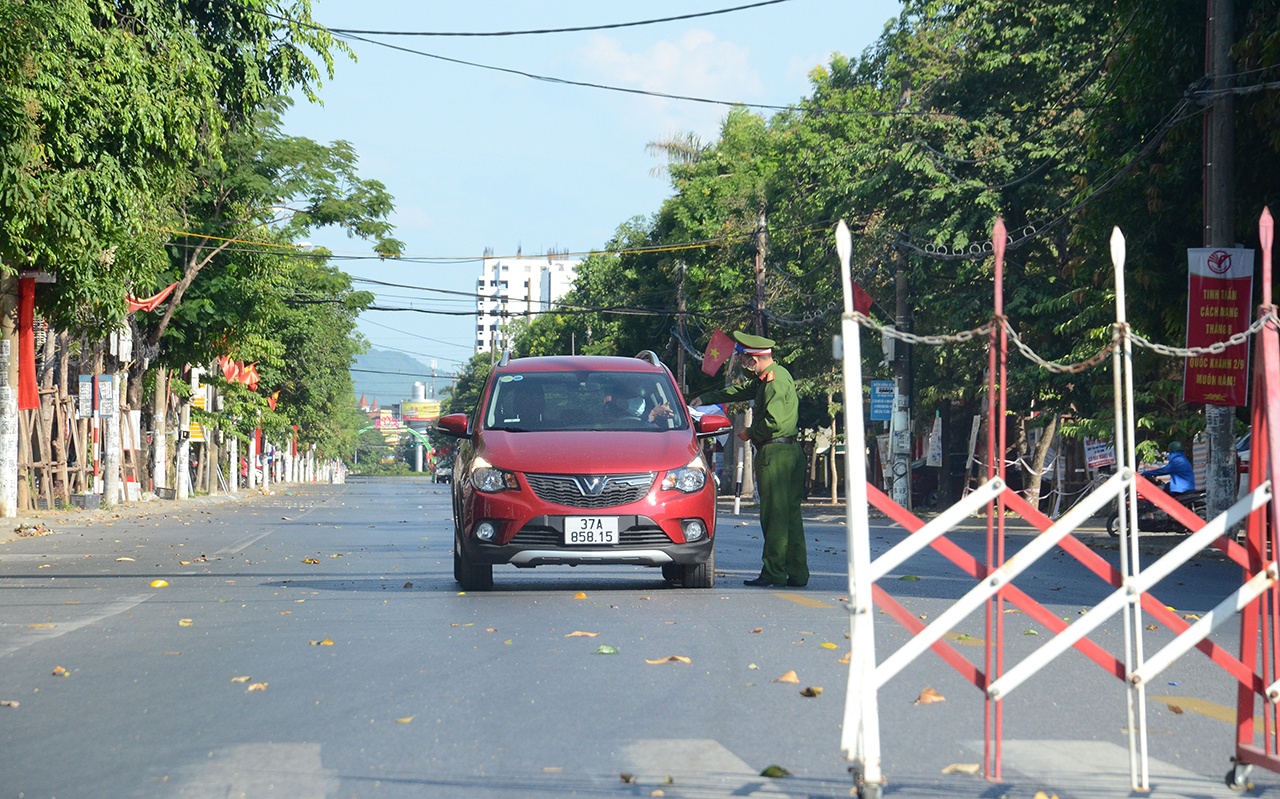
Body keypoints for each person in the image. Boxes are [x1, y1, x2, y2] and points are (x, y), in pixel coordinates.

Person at [691, 331, 807, 588]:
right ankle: (798, 573)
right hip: (789, 452)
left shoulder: (774, 383)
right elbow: (740, 391)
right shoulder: (773, 377)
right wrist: (706, 399)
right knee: (790, 515)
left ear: (754, 359)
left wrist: (749, 433)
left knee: (774, 516)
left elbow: (774, 423)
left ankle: (774, 572)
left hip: (776, 454)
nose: (743, 365)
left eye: (744, 360)